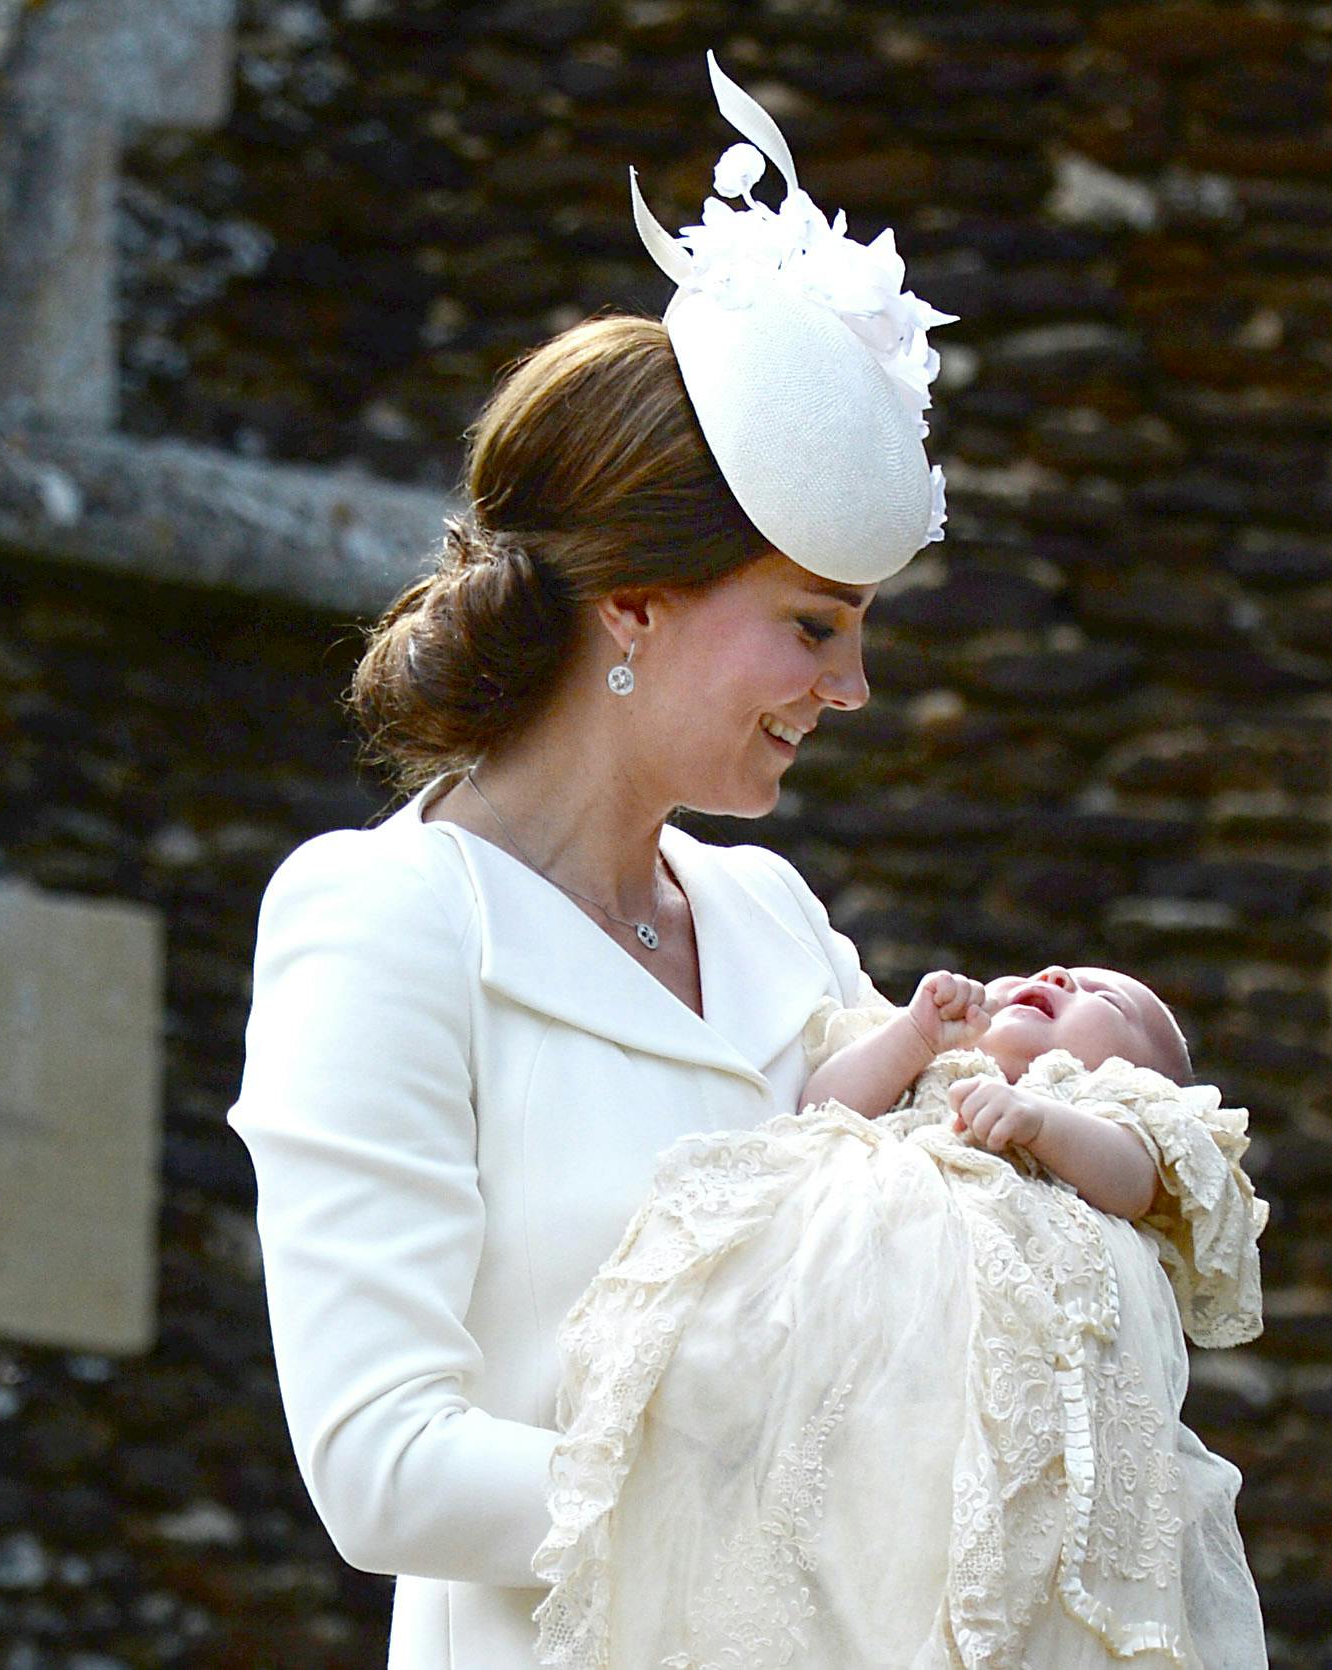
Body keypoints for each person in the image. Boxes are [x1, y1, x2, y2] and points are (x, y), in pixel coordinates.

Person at [227, 51, 956, 1667]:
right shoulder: (383, 920)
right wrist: (772, 1509)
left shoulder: (774, 919)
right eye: (812, 627)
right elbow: (382, 1466)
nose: (849, 689)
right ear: (634, 607)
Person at [533, 965, 1270, 1668]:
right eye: (1042, 972)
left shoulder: (1104, 1108)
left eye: (1108, 1000)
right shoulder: (935, 1071)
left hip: (990, 1371)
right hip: (851, 1330)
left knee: (972, 1541)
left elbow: (1132, 1181)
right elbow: (819, 1104)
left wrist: (1041, 1123)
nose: (1055, 980)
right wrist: (912, 1036)